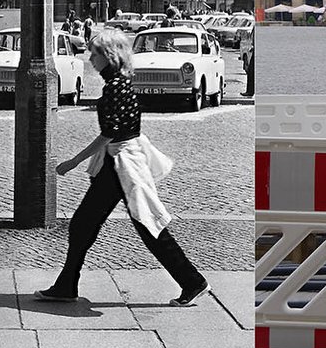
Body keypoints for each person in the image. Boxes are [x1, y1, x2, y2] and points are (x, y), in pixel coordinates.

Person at [38, 30, 210, 307]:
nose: (90, 58)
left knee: (126, 225)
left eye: (95, 53)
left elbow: (110, 133)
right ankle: (66, 284)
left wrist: (74, 162)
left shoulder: (116, 86)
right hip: (119, 161)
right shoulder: (118, 83)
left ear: (109, 56)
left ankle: (193, 281)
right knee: (97, 224)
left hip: (120, 164)